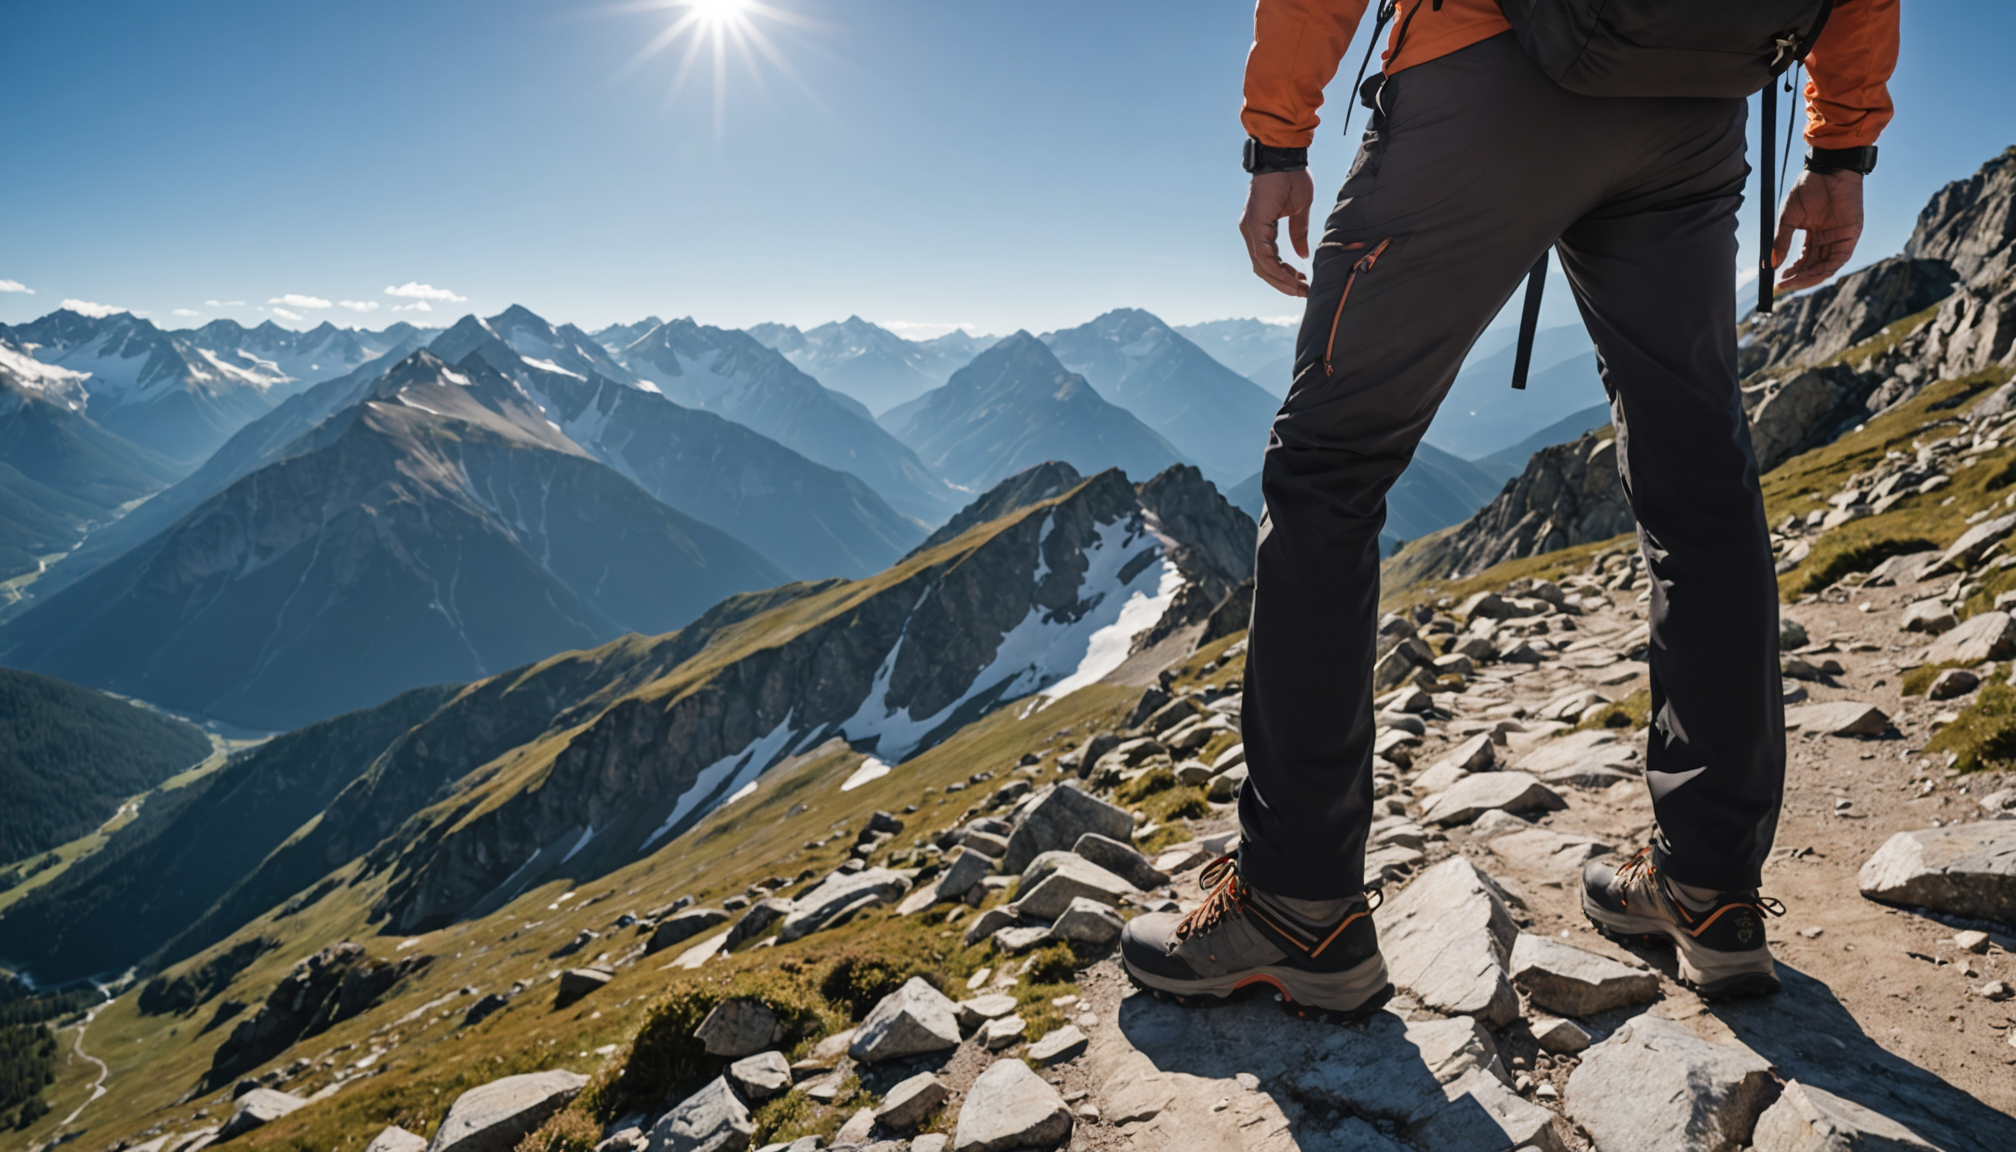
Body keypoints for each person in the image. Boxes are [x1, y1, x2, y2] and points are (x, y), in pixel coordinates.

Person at [1121, 0, 1899, 1014]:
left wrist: (1278, 138)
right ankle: (1710, 887)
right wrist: (1841, 152)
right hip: (1699, 98)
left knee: (1328, 471)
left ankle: (1296, 901)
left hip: (1486, 78)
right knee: (1699, 485)